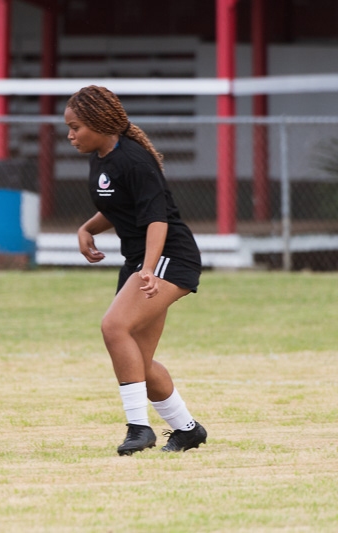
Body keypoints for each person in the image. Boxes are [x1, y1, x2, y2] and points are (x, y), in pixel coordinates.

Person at [66, 85, 207, 456]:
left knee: (114, 327)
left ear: (99, 123)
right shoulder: (102, 157)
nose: (70, 135)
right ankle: (187, 430)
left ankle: (138, 428)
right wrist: (87, 229)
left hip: (168, 256)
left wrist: (147, 269)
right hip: (141, 260)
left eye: (76, 127)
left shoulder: (134, 159)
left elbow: (157, 220)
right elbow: (119, 206)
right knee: (138, 362)